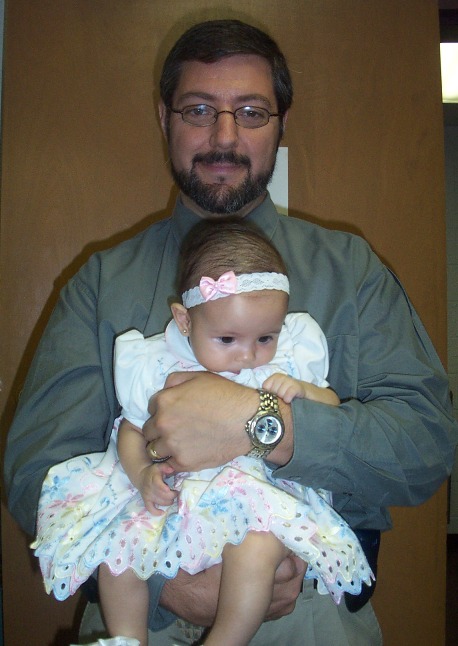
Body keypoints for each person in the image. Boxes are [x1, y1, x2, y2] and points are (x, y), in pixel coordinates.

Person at [4, 18, 457, 646]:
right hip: (133, 601)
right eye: (198, 110)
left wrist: (263, 422)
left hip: (309, 615)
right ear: (164, 118)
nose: (224, 136)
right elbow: (36, 468)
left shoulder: (351, 272)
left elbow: (427, 444)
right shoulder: (100, 283)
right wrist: (164, 582)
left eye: (250, 112)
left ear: (281, 123)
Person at [31, 220, 373, 646]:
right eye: (227, 339)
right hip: (174, 503)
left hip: (255, 501)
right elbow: (131, 431)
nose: (247, 355)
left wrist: (304, 393)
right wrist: (142, 475)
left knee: (258, 549)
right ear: (185, 321)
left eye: (265, 337)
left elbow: (332, 407)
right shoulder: (157, 365)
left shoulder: (287, 361)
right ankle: (126, 639)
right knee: (118, 554)